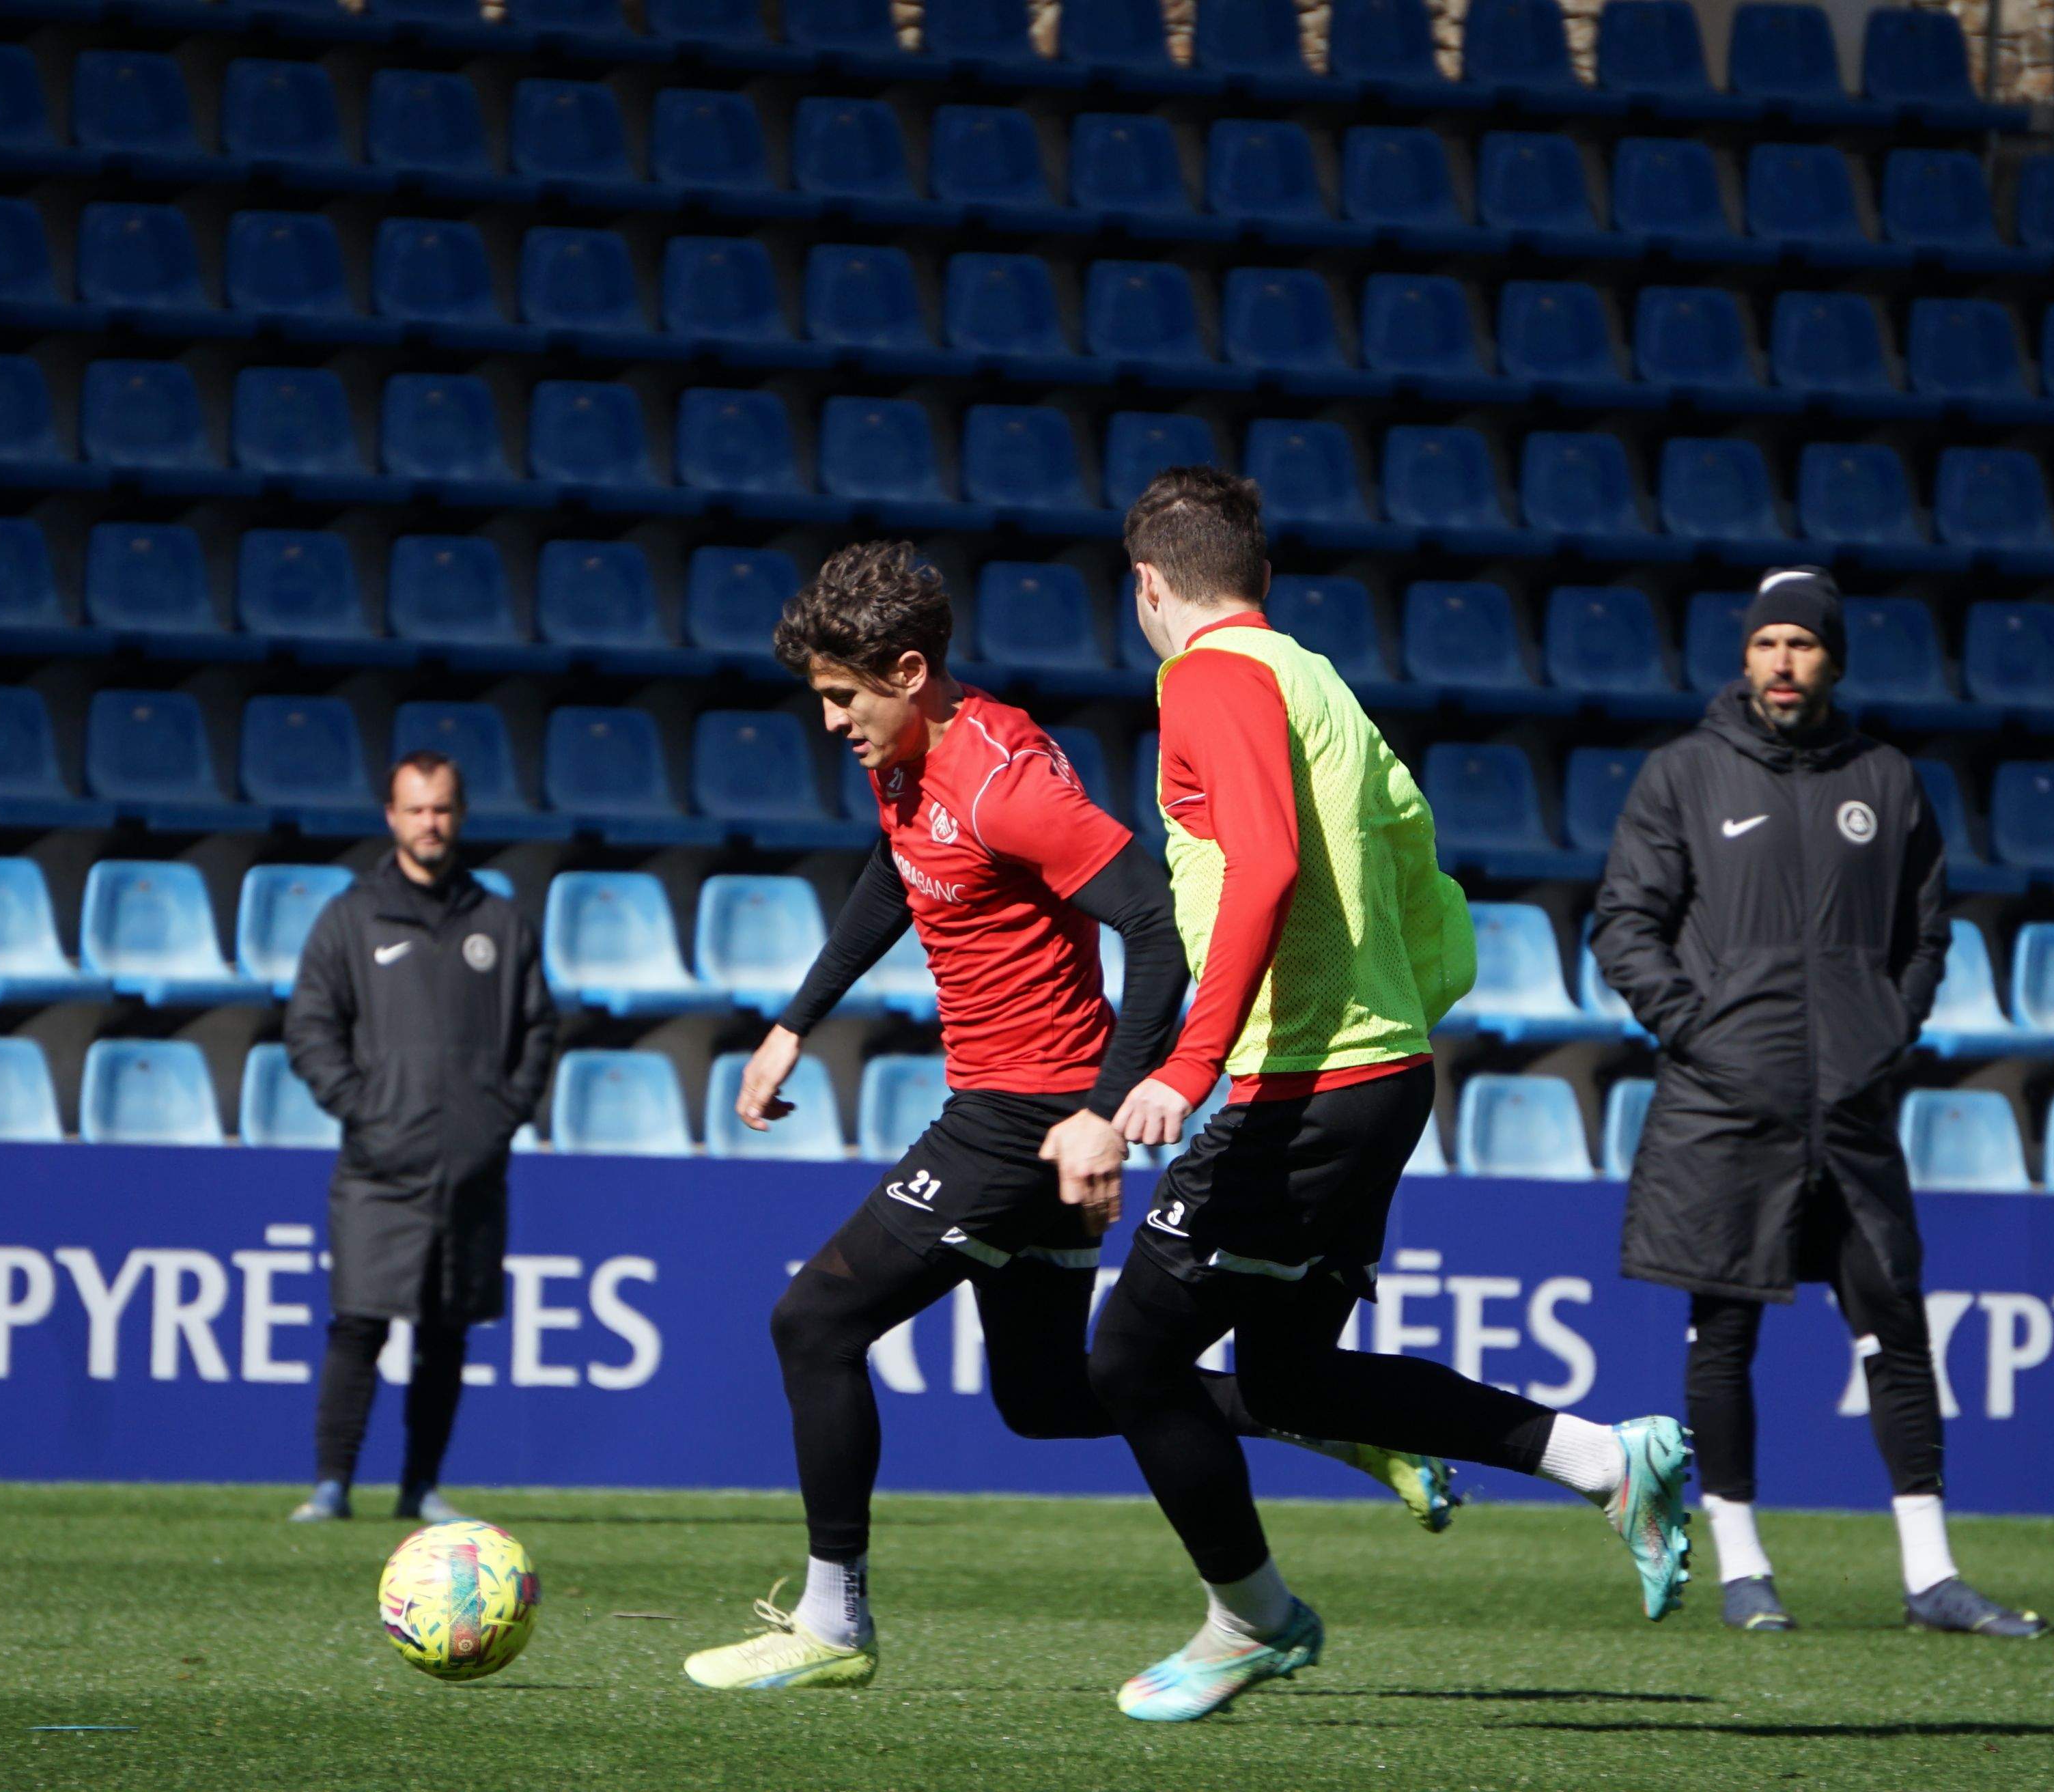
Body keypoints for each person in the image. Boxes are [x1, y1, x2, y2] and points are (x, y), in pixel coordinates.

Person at [681, 542, 1456, 1695]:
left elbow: (1151, 919)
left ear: (906, 669)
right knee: (1047, 1397)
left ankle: (832, 1619)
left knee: (814, 1322)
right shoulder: (909, 759)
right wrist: (799, 1018)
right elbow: (902, 869)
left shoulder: (1006, 779)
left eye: (843, 695)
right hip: (1029, 1114)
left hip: (1025, 1112)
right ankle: (1327, 1418)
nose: (832, 718)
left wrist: (1102, 1105)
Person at [1090, 466, 1696, 1724]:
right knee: (1295, 1379)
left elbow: (1260, 862)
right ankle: (1602, 1456)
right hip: (1378, 1069)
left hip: (1300, 1080)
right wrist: (1398, 1022)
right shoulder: (1321, 683)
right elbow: (1422, 872)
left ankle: (1249, 1617)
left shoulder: (1208, 679)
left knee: (1131, 1358)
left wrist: (1192, 1064)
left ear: (1148, 583)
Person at [1592, 566, 2046, 1638]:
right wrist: (1704, 1032)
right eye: (1766, 645)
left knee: (1894, 1327)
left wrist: (1886, 1030)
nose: (1783, 663)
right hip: (1724, 1102)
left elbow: (1927, 933)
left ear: (1833, 660)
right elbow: (1624, 924)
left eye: (1803, 645)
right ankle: (1745, 1566)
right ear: (1743, 658)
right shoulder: (1684, 776)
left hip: (1849, 1102)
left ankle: (1932, 1577)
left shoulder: (1887, 781)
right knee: (1725, 1332)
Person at [281, 750, 556, 1524]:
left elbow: (539, 1030)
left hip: (470, 1170)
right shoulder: (351, 916)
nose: (430, 822)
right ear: (391, 816)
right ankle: (331, 1484)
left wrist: (497, 1118)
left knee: (446, 1331)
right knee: (359, 1322)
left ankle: (418, 1487)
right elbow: (309, 1027)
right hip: (378, 1164)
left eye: (441, 808)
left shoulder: (498, 920)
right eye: (415, 808)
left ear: (459, 814)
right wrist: (364, 1108)